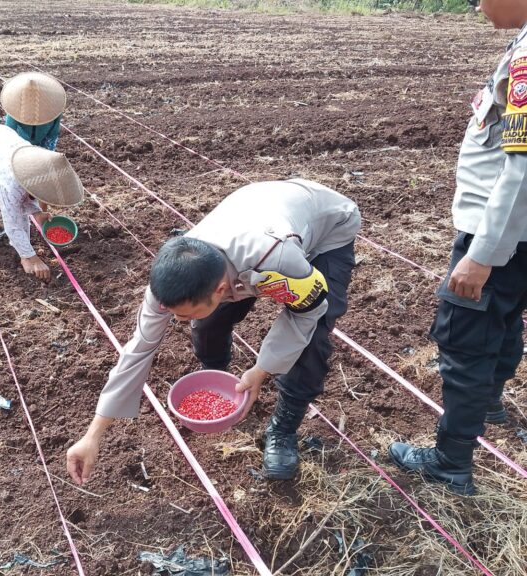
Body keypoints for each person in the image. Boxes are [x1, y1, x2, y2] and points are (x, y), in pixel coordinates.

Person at [66, 180, 361, 485]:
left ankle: (283, 430)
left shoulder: (279, 262)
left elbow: (307, 313)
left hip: (325, 228)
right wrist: (93, 435)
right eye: (174, 312)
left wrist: (261, 371)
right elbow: (138, 350)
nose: (178, 320)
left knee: (311, 340)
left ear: (222, 289)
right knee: (206, 322)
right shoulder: (169, 286)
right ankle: (215, 371)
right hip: (258, 209)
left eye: (185, 313)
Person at [388, 0, 527, 496]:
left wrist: (483, 253)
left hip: (500, 231)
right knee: (506, 318)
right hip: (517, 234)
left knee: (465, 339)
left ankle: (450, 461)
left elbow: (521, 171)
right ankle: (489, 402)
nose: (477, 5)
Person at [0, 124, 84, 282]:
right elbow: (12, 221)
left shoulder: (41, 166)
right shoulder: (11, 182)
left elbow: (33, 193)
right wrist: (33, 258)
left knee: (19, 205)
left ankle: (22, 251)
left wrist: (38, 213)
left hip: (0, 136)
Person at [1, 72, 65, 151]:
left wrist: (47, 153)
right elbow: (9, 132)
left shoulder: (54, 109)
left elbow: (52, 135)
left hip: (43, 139)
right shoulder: (15, 109)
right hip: (20, 142)